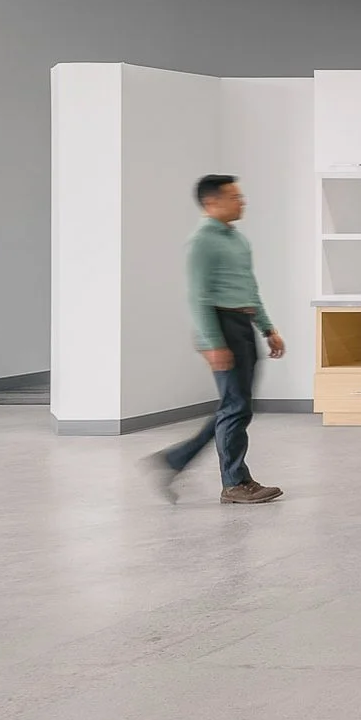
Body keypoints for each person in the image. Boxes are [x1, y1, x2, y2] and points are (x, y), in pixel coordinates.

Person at [150, 174, 285, 505]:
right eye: (234, 197)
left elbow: (250, 288)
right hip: (221, 326)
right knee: (236, 406)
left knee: (236, 406)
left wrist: (267, 328)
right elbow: (198, 296)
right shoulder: (202, 242)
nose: (242, 202)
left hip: (242, 324)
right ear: (211, 202)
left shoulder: (238, 240)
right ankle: (234, 482)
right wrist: (212, 342)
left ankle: (176, 460)